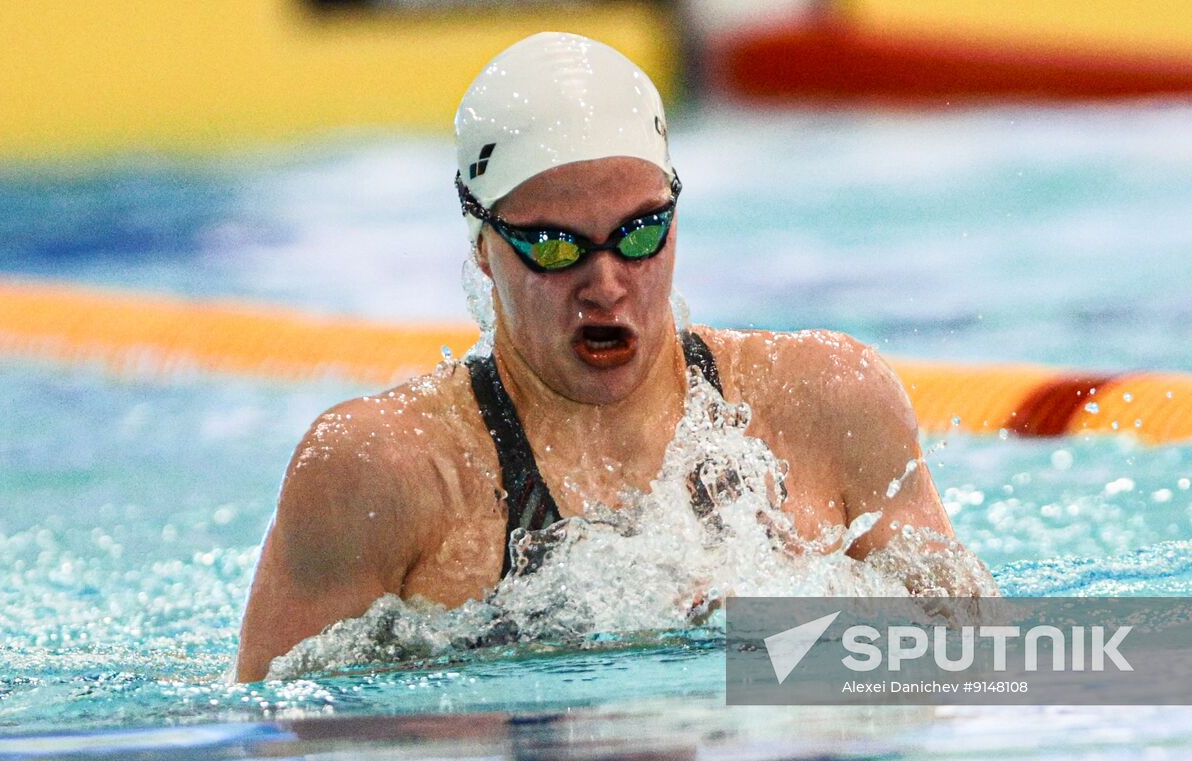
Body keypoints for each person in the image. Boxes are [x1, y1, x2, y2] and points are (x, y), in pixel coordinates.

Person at [236, 32, 986, 683]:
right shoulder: (380, 473)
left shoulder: (830, 403)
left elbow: (986, 659)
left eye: (639, 233)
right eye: (557, 246)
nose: (606, 284)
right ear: (485, 249)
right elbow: (281, 742)